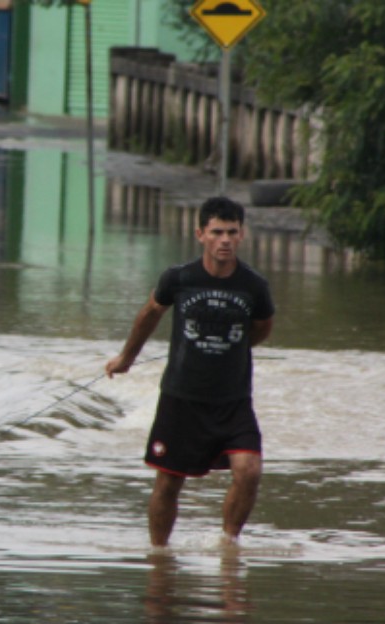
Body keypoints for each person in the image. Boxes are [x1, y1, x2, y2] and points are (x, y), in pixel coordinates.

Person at [105, 196, 275, 548]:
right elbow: (150, 314)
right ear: (200, 234)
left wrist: (228, 348)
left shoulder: (253, 286)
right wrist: (126, 358)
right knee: (168, 483)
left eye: (231, 232)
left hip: (233, 400)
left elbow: (260, 328)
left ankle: (229, 546)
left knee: (249, 471)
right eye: (217, 232)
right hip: (181, 398)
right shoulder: (179, 278)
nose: (224, 240)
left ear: (241, 235)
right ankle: (158, 556)